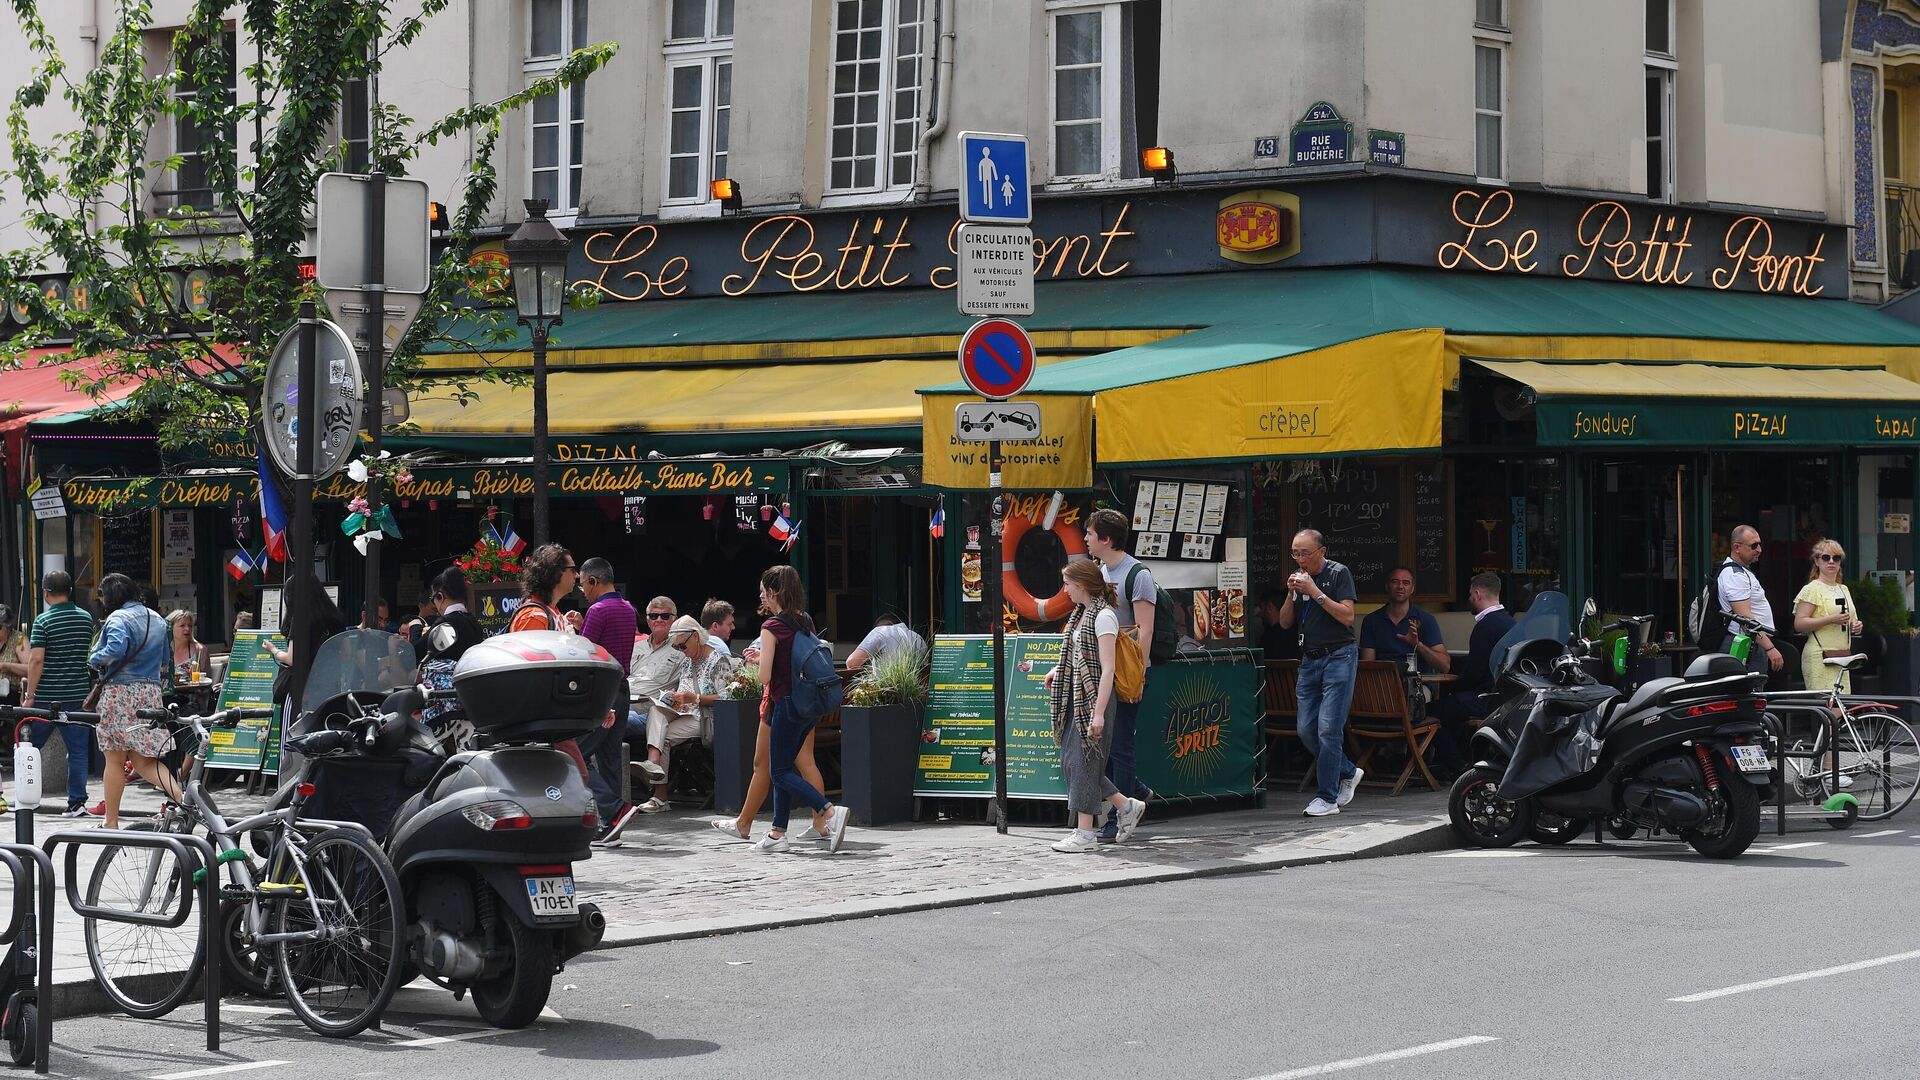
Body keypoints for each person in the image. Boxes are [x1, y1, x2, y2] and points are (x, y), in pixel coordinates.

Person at [1041, 559, 1147, 852]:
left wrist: (1098, 713)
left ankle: (1085, 834)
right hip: (1078, 696)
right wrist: (1056, 671)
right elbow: (1077, 656)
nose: (1065, 590)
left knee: (1082, 763)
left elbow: (1107, 669)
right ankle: (1125, 806)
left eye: (1068, 584)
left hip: (1094, 699)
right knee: (1077, 764)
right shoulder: (1082, 614)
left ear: (1083, 585)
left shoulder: (1103, 617)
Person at [747, 565, 850, 853]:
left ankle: (829, 811)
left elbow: (766, 678)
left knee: (779, 771)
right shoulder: (804, 621)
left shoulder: (771, 627)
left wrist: (758, 663)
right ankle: (778, 833)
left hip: (787, 704)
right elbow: (792, 659)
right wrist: (764, 658)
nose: (761, 597)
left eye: (763, 592)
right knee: (784, 765)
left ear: (773, 592)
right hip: (809, 704)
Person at [1274, 528, 1362, 817]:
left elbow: (1348, 616)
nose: (1300, 560)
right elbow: (1285, 624)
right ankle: (1348, 771)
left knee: (1328, 729)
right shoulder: (1300, 581)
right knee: (1306, 729)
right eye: (1295, 553)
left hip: (1339, 655)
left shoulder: (1339, 574)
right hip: (1309, 660)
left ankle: (1327, 798)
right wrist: (1291, 595)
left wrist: (1315, 592)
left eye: (1305, 554)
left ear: (1321, 552)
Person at [1083, 507, 1157, 840]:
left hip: (1127, 673)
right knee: (1108, 746)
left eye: (1089, 532)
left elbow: (1145, 631)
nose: (1085, 538)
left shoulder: (1137, 575)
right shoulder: (1098, 572)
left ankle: (1117, 819)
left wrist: (1138, 674)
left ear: (1106, 539)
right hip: (1104, 673)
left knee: (1121, 746)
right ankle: (1135, 792)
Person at [89, 574, 178, 828]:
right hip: (150, 693)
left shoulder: (117, 618)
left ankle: (112, 821)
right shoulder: (158, 620)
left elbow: (115, 650)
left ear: (111, 596)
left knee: (114, 760)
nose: (102, 600)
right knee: (145, 761)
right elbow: (164, 662)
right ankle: (184, 802)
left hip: (120, 693)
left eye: (102, 594)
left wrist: (95, 658)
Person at [507, 543, 598, 781]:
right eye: (572, 569)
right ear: (555, 573)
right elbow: (527, 670)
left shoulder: (552, 613)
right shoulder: (535, 615)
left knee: (576, 776)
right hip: (544, 719)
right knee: (577, 777)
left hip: (555, 715)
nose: (577, 575)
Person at [636, 616, 738, 814]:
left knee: (661, 737)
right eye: (677, 648)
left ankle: (659, 795)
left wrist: (696, 698)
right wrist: (674, 698)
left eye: (682, 645)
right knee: (656, 710)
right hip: (684, 712)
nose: (681, 651)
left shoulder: (718, 660)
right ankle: (653, 763)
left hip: (705, 716)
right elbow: (684, 691)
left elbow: (726, 697)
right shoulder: (687, 661)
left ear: (696, 636)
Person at [23, 571, 99, 816]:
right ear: (69, 591)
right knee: (77, 751)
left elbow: (36, 660)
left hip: (46, 696)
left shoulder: (43, 622)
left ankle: (25, 799)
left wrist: (30, 694)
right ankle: (76, 803)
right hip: (78, 694)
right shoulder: (86, 618)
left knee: (28, 747)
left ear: (45, 593)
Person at [575, 558, 641, 843]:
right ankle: (613, 825)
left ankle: (613, 810)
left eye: (583, 585)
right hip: (622, 687)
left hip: (601, 691)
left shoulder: (598, 610)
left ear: (593, 581)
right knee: (611, 757)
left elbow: (585, 653)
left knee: (576, 753)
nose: (582, 592)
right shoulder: (629, 609)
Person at [1429, 572, 1517, 779]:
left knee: (1430, 714)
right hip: (1505, 698)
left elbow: (1475, 672)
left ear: (1477, 594)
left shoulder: (1486, 626)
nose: (1469, 599)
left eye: (1470, 595)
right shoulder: (1510, 622)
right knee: (1450, 709)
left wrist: (1454, 688)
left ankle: (1459, 766)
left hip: (1486, 699)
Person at [418, 567, 485, 744]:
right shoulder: (474, 623)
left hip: (443, 705)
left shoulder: (445, 623)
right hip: (470, 701)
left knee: (425, 752)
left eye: (434, 599)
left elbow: (417, 651)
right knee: (468, 755)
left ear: (440, 596)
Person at [1716, 524, 1787, 685]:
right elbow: (1744, 617)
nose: (1759, 549)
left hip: (1751, 644)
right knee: (1748, 698)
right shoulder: (1735, 575)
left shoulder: (1741, 572)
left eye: (1760, 544)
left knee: (1750, 698)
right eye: (1754, 545)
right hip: (1745, 645)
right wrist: (1770, 648)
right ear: (1737, 547)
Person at [1794, 539, 1864, 693]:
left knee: (1841, 706)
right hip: (1820, 656)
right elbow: (1799, 624)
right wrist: (1831, 619)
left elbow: (1852, 619)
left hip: (1842, 656)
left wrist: (1856, 625)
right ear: (1816, 561)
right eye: (1826, 558)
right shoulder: (1812, 589)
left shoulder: (1843, 589)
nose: (1831, 562)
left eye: (1836, 558)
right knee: (1829, 709)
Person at [1358, 567, 1450, 673]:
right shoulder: (1371, 621)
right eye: (1395, 582)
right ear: (1387, 586)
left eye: (1406, 583)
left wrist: (1418, 645)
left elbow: (1445, 666)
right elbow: (1367, 666)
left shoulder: (1426, 620)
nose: (1400, 587)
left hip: (1417, 685)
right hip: (1383, 683)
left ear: (1412, 589)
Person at [165, 609, 215, 716]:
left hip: (191, 702)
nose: (187, 629)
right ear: (171, 628)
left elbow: (206, 683)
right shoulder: (163, 650)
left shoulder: (199, 650)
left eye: (190, 625)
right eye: (182, 625)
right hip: (167, 698)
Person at [844, 613, 928, 673]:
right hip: (916, 696)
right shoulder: (919, 638)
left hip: (885, 694)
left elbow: (852, 663)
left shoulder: (880, 631)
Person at [1257, 589, 1301, 662]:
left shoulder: (1269, 637)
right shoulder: (1297, 632)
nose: (1259, 613)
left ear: (1269, 606)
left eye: (1261, 607)